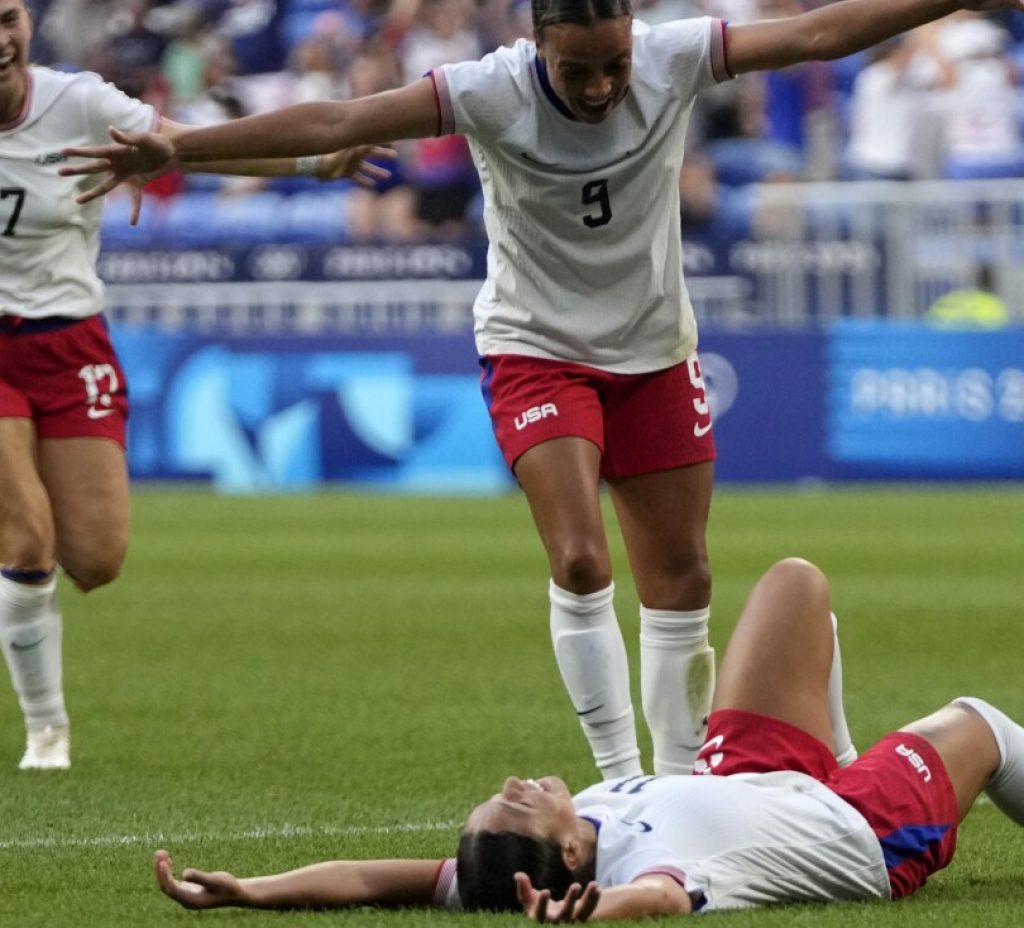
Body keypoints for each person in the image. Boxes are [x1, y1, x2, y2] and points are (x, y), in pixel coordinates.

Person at [63, 0, 1020, 782]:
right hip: (536, 349)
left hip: (654, 351)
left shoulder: (676, 57)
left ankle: (685, 787)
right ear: (538, 46)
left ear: (632, 37)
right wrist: (179, 148)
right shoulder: (486, 90)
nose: (601, 86)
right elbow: (339, 122)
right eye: (577, 70)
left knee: (682, 579)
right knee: (577, 560)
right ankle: (620, 782)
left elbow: (814, 35)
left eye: (612, 65)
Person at [153, 556, 1024, 922]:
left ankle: (834, 760)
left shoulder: (520, 859)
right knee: (978, 722)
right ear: (569, 858)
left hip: (756, 779)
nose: (517, 782)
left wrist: (259, 890)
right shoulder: (650, 863)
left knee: (796, 587)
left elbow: (382, 878)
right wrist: (591, 915)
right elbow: (659, 901)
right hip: (853, 833)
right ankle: (861, 779)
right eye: (521, 804)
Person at [0, 0, 392, 769]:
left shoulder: (76, 101)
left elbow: (180, 146)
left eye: (9, 16)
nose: (0, 35)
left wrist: (314, 164)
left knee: (97, 557)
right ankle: (47, 732)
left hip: (70, 342)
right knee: (26, 535)